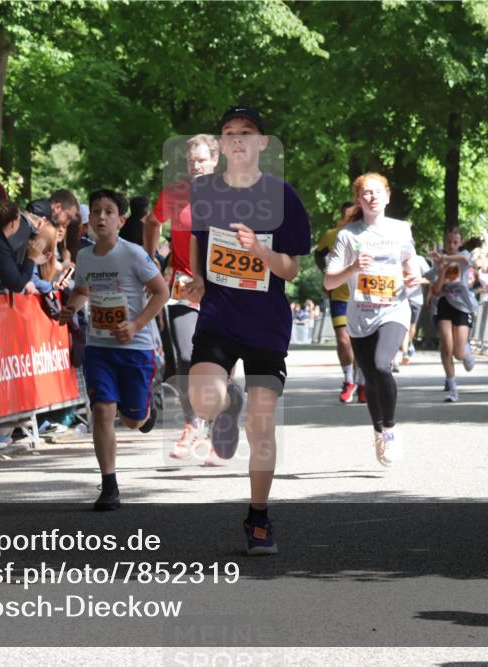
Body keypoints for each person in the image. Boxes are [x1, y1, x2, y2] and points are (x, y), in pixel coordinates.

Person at [182, 106, 311, 555]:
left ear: (262, 143)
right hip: (219, 316)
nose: (237, 138)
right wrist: (199, 278)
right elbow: (199, 240)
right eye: (229, 132)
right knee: (204, 400)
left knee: (261, 428)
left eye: (247, 132)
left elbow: (290, 269)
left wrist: (258, 250)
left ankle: (259, 516)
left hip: (265, 323)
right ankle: (227, 405)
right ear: (221, 144)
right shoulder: (204, 191)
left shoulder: (282, 196)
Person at [58, 189, 168, 510]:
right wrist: (71, 307)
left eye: (109, 212)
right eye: (96, 211)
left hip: (135, 348)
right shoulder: (85, 256)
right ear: (89, 219)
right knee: (103, 411)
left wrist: (136, 325)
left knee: (133, 421)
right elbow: (82, 289)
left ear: (121, 220)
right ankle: (109, 486)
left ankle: (145, 413)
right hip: (99, 347)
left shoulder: (134, 254)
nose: (101, 217)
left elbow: (161, 292)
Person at [324, 172, 421, 466]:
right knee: (370, 379)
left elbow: (410, 261)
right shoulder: (348, 235)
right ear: (358, 200)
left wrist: (413, 276)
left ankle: (390, 429)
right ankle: (378, 431)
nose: (372, 196)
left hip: (394, 309)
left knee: (381, 365)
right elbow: (329, 281)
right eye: (366, 192)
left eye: (378, 191)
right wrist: (352, 268)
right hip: (360, 317)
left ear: (387, 197)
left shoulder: (401, 230)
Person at [144, 134, 221, 460]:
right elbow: (152, 222)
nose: (196, 166)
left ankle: (217, 430)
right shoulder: (174, 193)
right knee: (187, 357)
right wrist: (149, 261)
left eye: (201, 160)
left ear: (215, 160)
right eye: (191, 161)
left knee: (219, 360)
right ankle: (192, 424)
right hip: (184, 284)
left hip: (221, 285)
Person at [315, 202, 365, 403]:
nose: (351, 219)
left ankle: (362, 383)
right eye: (348, 216)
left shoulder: (364, 234)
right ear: (342, 216)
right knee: (344, 340)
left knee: (360, 342)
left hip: (362, 296)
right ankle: (348, 380)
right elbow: (318, 255)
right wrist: (326, 274)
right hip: (339, 295)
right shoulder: (331, 235)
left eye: (355, 216)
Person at [428, 227, 477, 403]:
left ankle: (465, 351)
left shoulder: (464, 256)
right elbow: (435, 290)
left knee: (458, 352)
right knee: (446, 348)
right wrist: (441, 270)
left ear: (460, 243)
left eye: (455, 242)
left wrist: (446, 259)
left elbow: (465, 259)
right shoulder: (438, 261)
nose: (451, 245)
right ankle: (453, 388)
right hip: (444, 304)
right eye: (448, 242)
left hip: (463, 305)